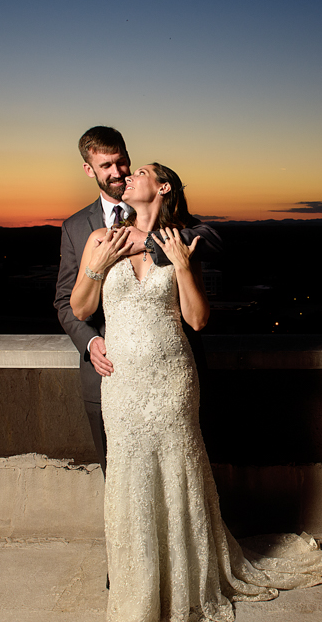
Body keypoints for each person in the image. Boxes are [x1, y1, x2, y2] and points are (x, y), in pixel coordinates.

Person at [71, 162, 322, 621]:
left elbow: (197, 319)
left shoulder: (179, 241)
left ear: (162, 188)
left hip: (171, 380)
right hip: (120, 384)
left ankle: (186, 581)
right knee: (129, 481)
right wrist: (96, 269)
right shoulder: (101, 239)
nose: (129, 176)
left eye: (139, 171)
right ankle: (139, 585)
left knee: (180, 474)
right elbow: (80, 308)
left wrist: (181, 266)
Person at [54, 126, 223, 476]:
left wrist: (149, 241)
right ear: (89, 170)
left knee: (182, 472)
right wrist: (90, 341)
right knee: (120, 476)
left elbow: (210, 241)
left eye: (124, 163)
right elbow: (67, 303)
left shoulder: (175, 232)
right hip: (113, 374)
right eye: (106, 166)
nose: (119, 173)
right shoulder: (81, 230)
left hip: (172, 373)